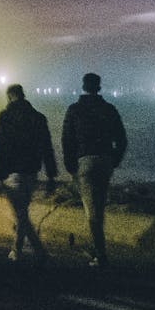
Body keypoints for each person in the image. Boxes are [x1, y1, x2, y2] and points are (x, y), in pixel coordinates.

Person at [62, 72, 128, 268]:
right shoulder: (109, 109)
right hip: (105, 161)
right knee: (99, 205)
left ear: (83, 86)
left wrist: (70, 165)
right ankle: (98, 248)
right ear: (99, 88)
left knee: (92, 211)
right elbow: (122, 139)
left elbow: (67, 140)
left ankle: (100, 254)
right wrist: (114, 160)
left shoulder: (74, 110)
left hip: (85, 161)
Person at [0, 84, 56, 266]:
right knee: (22, 212)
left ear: (10, 96)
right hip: (32, 171)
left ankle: (31, 250)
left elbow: (0, 146)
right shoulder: (38, 118)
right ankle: (21, 250)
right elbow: (47, 148)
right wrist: (51, 175)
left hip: (12, 172)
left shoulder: (5, 117)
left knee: (20, 214)